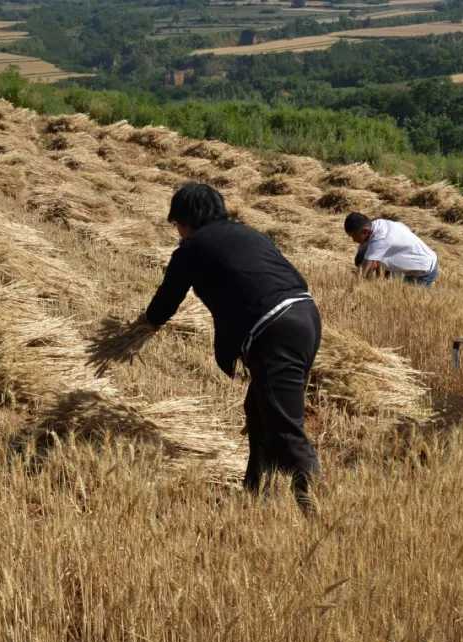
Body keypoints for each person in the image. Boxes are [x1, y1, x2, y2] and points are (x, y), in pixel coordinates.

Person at [143, 183, 322, 514]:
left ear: (185, 219)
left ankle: (319, 511)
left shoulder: (193, 248)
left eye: (176, 224)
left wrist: (146, 326)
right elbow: (292, 276)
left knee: (285, 425)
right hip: (305, 315)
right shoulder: (248, 234)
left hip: (274, 328)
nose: (177, 232)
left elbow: (168, 298)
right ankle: (256, 494)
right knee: (258, 411)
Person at [344, 212, 438, 286]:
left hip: (423, 270)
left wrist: (351, 288)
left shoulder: (380, 239)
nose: (353, 240)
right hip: (413, 266)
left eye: (353, 236)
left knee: (412, 306)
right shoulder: (379, 224)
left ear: (365, 231)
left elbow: (363, 272)